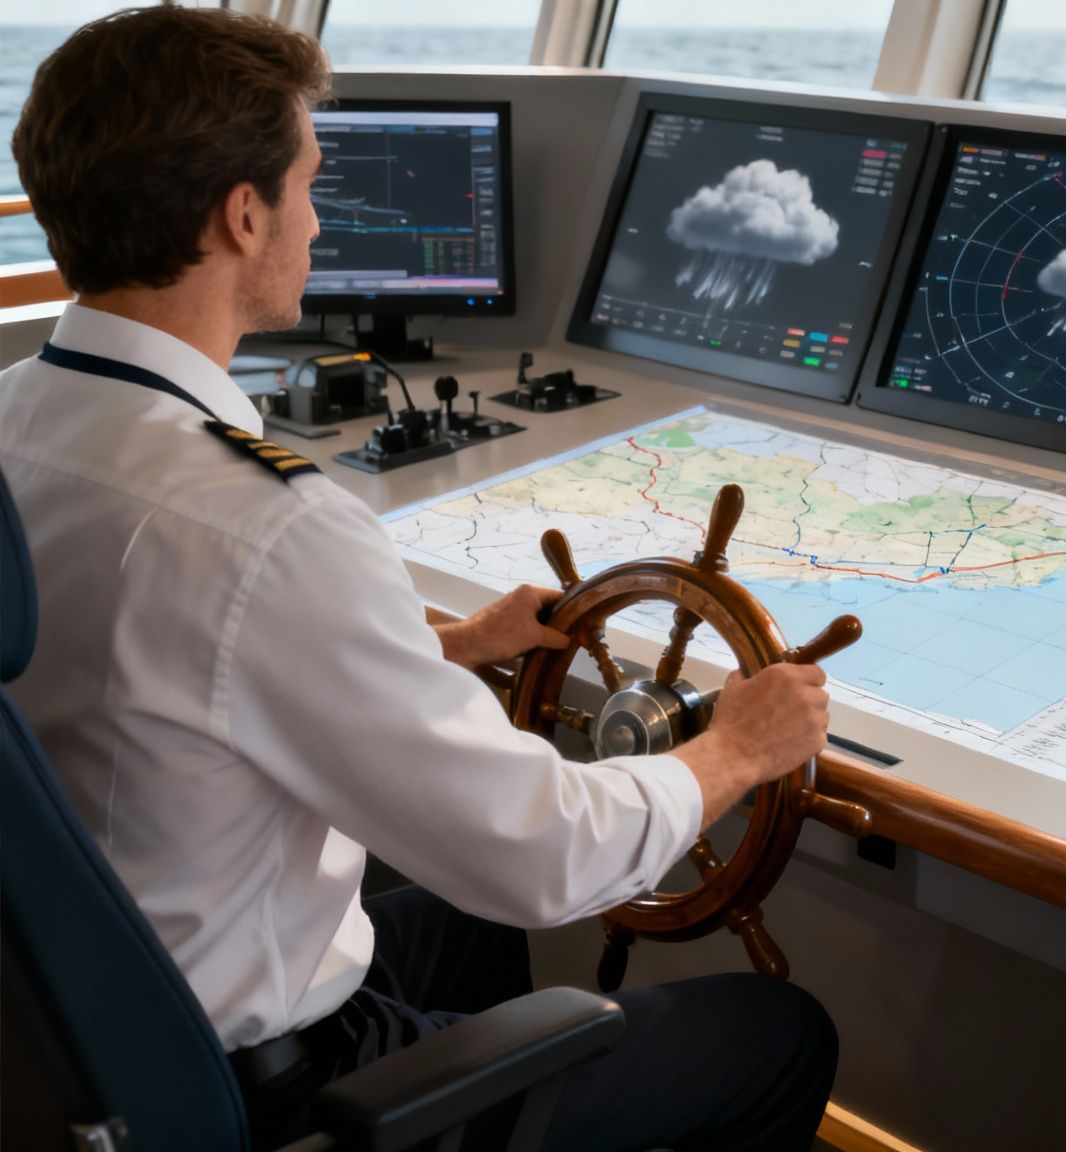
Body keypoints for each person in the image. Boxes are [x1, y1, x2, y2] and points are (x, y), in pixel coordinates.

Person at [1, 8, 836, 1149]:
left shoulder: (16, 417)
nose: (317, 216)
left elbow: (132, 657)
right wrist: (737, 748)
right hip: (241, 1087)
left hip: (66, 1022)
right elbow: (542, 857)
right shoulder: (267, 527)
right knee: (773, 1033)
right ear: (243, 217)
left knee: (470, 936)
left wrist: (436, 652)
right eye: (308, 185)